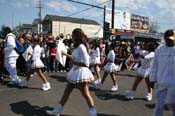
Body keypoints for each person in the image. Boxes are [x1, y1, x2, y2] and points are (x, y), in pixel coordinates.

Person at [46, 28, 97, 116]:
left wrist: (74, 62)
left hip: (80, 73)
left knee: (85, 94)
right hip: (75, 72)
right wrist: (66, 55)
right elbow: (75, 57)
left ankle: (93, 112)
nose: (71, 37)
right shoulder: (77, 47)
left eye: (72, 35)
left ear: (76, 37)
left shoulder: (81, 47)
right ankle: (57, 110)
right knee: (67, 92)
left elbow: (87, 63)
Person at [149, 29, 175, 116]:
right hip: (161, 81)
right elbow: (154, 65)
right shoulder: (159, 49)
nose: (168, 41)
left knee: (171, 103)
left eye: (170, 39)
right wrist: (152, 79)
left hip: (173, 83)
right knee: (159, 104)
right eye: (167, 39)